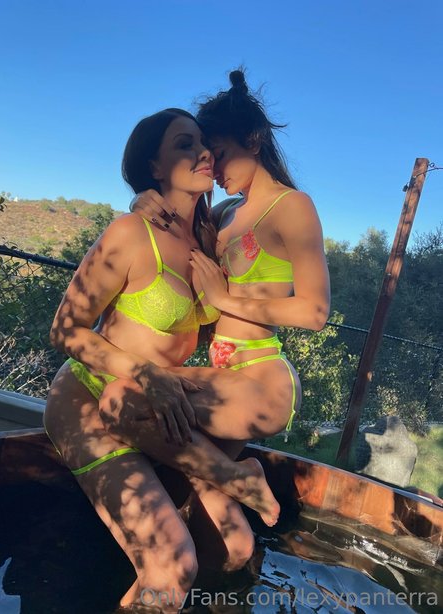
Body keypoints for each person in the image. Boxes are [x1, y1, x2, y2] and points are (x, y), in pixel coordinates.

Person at [44, 108, 280, 612]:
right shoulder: (132, 231)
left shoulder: (212, 237)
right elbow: (64, 329)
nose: (202, 153)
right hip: (90, 399)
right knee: (171, 565)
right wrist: (143, 372)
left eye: (203, 144)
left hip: (157, 410)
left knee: (236, 548)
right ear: (154, 166)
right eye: (183, 145)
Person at [104, 68, 329, 577]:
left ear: (254, 139)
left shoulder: (292, 207)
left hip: (261, 378)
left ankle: (236, 488)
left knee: (122, 400)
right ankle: (215, 591)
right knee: (210, 516)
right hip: (220, 378)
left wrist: (227, 297)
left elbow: (314, 313)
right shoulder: (225, 213)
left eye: (220, 152)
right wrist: (140, 199)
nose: (213, 164)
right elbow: (173, 227)